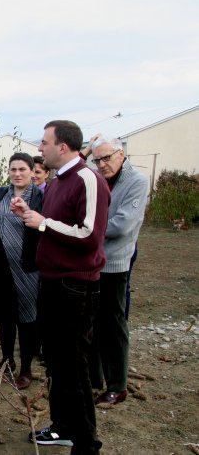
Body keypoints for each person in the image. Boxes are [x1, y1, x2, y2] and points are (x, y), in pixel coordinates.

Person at [13, 120, 110, 453]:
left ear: (63, 147)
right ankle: (62, 427)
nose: (40, 148)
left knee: (74, 368)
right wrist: (30, 214)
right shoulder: (56, 182)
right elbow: (55, 226)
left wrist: (44, 224)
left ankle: (86, 445)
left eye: (44, 142)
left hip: (75, 288)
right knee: (55, 362)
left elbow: (89, 235)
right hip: (52, 283)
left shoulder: (88, 179)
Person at [88, 136, 148, 406]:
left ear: (121, 155)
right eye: (97, 159)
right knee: (92, 320)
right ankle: (95, 376)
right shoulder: (97, 178)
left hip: (114, 262)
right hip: (91, 260)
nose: (102, 164)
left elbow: (122, 225)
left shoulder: (136, 181)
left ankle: (117, 385)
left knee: (113, 323)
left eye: (107, 158)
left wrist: (86, 230)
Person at [0, 152, 43, 390]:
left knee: (27, 317)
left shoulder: (39, 196)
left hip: (27, 266)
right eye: (13, 169)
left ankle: (26, 368)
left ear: (32, 171)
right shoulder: (1, 193)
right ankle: (7, 359)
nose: (17, 174)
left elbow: (44, 228)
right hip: (1, 266)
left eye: (22, 169)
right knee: (5, 314)